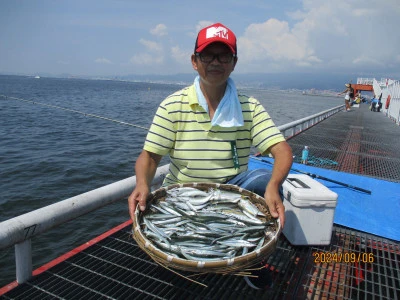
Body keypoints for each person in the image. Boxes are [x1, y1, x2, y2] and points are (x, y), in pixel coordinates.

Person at [128, 23, 293, 289]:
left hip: (231, 193)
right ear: (194, 61)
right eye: (207, 55)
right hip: (181, 197)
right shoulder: (173, 105)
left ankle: (252, 260)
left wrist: (274, 186)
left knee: (264, 180)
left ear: (234, 63)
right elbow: (149, 157)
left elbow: (282, 151)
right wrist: (142, 184)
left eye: (223, 55)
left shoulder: (249, 106)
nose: (215, 62)